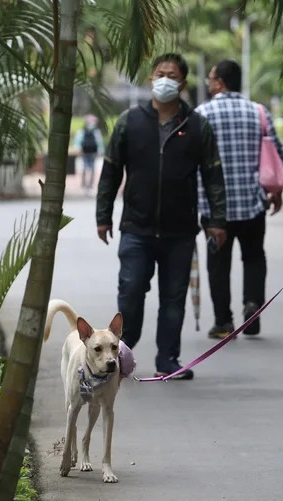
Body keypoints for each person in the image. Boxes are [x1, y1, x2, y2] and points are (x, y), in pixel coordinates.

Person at [96, 53, 227, 381]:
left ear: (182, 83)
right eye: (159, 73)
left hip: (180, 230)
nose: (165, 78)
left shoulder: (197, 125)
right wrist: (103, 215)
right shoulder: (129, 121)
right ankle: (122, 352)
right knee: (131, 289)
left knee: (174, 297)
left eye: (172, 74)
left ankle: (168, 359)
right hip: (136, 229)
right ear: (151, 79)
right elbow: (111, 171)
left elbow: (213, 175)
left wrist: (217, 219)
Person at [197, 59, 283, 339]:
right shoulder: (258, 112)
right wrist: (275, 192)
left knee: (218, 263)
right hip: (252, 203)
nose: (208, 84)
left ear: (220, 82)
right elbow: (276, 152)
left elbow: (193, 161)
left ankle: (223, 322)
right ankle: (253, 305)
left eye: (211, 78)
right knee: (254, 256)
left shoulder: (202, 114)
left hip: (215, 210)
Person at [74, 114, 104, 193]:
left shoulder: (82, 130)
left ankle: (84, 184)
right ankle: (90, 185)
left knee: (84, 167)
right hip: (93, 152)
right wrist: (101, 151)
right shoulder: (96, 131)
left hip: (85, 151)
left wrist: (78, 149)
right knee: (92, 168)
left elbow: (78, 141)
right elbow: (99, 141)